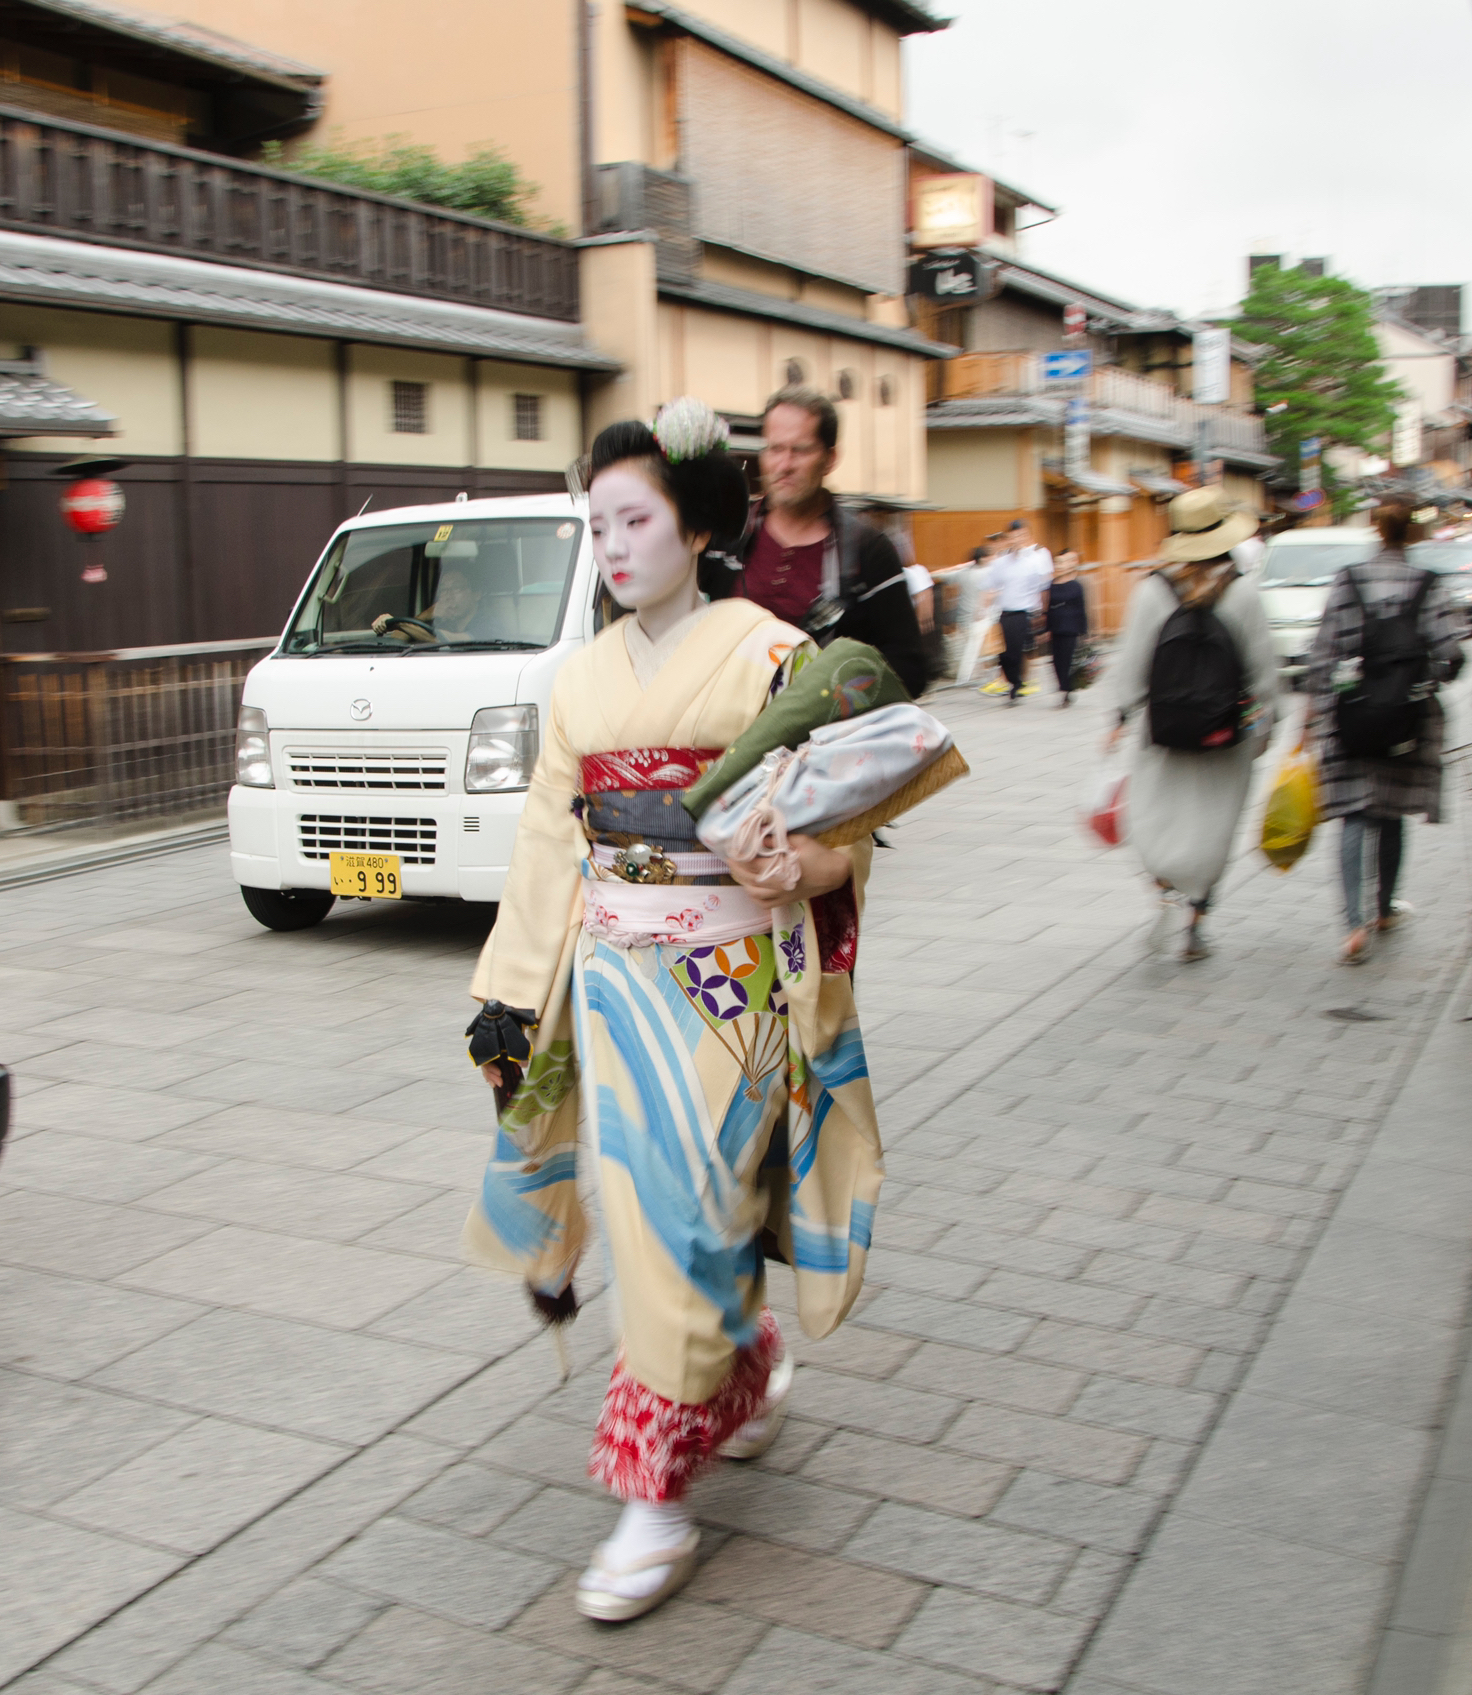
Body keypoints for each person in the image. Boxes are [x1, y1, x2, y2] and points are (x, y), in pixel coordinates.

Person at [463, 398, 884, 1625]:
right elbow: (553, 845)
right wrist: (508, 989)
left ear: (698, 524)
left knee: (693, 1198)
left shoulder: (767, 654)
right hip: (612, 975)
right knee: (655, 1205)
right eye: (596, 524)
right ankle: (728, 1380)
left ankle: (657, 1487)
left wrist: (801, 866)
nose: (613, 544)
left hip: (731, 979)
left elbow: (849, 819)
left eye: (635, 518)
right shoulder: (579, 680)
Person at [1107, 488, 1278, 961]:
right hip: (1226, 733)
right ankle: (1195, 925)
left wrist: (1121, 715)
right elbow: (1263, 672)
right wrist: (1265, 729)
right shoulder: (1241, 592)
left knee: (1158, 815)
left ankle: (1163, 888)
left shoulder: (1150, 591)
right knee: (1213, 825)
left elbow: (1132, 665)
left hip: (1163, 728)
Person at [1304, 498, 1464, 966]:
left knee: (1356, 812)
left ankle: (1353, 923)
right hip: (1406, 716)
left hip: (1353, 712)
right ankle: (1385, 909)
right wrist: (1427, 676)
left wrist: (1316, 709)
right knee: (1390, 810)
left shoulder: (1348, 580)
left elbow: (1322, 652)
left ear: (1376, 529)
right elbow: (1451, 651)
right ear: (1411, 533)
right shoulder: (1428, 585)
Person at [720, 386, 926, 695]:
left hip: (826, 738)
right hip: (727, 733)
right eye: (775, 449)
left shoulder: (867, 550)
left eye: (800, 450)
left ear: (830, 458)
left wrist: (827, 696)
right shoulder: (727, 539)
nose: (784, 464)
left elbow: (910, 669)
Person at [987, 520, 1051, 703]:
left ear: (1028, 535)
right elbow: (992, 585)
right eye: (1014, 535)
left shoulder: (1037, 556)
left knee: (1022, 650)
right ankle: (1014, 680)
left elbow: (1043, 586)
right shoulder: (1001, 560)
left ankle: (1020, 681)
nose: (1017, 539)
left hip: (1026, 611)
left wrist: (1042, 611)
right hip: (1004, 611)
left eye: (1021, 535)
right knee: (1004, 653)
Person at [1046, 551, 1089, 706]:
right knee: (1056, 662)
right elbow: (1048, 607)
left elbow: (1081, 608)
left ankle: (1066, 691)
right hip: (1055, 627)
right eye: (1057, 563)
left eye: (1062, 563)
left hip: (1070, 628)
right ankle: (1065, 687)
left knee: (1066, 661)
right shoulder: (1052, 584)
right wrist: (1046, 629)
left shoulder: (1076, 585)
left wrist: (1084, 631)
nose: (1060, 566)